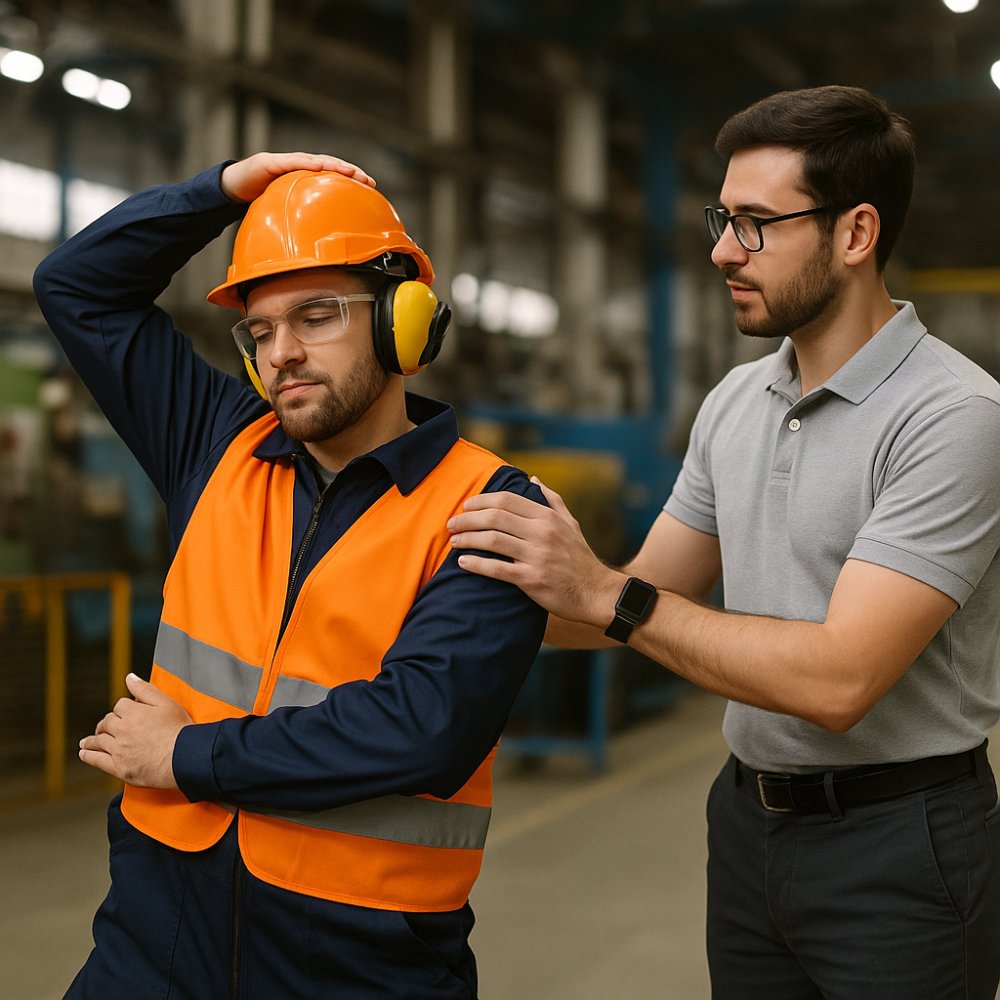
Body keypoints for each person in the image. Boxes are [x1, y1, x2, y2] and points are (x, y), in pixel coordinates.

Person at [448, 85, 1000, 999]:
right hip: (748, 826)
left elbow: (839, 680)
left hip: (902, 847)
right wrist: (493, 572)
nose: (720, 251)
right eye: (722, 218)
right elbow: (623, 603)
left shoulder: (954, 418)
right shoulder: (736, 402)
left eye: (754, 224)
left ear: (855, 234)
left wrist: (604, 595)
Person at [32, 151, 547, 1000]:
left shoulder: (488, 504)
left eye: (316, 316)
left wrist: (186, 754)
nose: (283, 354)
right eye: (261, 331)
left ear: (402, 322)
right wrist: (225, 188)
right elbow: (76, 286)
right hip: (158, 930)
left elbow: (423, 728)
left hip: (359, 952)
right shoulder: (214, 444)